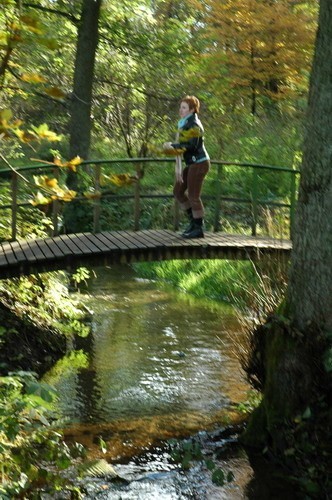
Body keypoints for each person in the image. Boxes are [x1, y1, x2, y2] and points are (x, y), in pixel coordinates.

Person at [163, 95, 210, 238]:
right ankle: (193, 222)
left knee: (193, 196)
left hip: (199, 162)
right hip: (192, 163)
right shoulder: (184, 123)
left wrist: (173, 146)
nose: (180, 110)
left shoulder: (194, 124)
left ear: (192, 110)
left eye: (184, 108)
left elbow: (192, 145)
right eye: (180, 107)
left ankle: (198, 228)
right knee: (178, 191)